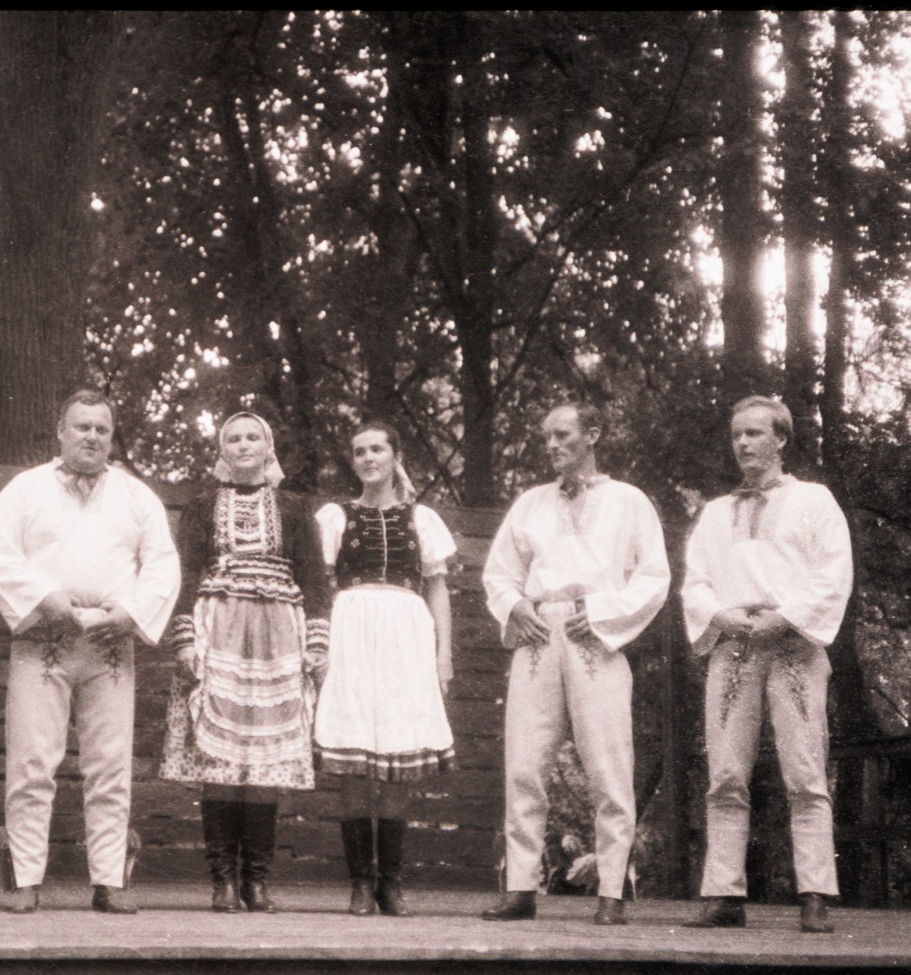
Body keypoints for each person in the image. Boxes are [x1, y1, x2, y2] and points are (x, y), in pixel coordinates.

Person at [0, 390, 180, 914]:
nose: (91, 436)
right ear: (60, 430)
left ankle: (109, 879)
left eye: (101, 429)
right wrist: (44, 599)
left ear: (110, 437)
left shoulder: (137, 497)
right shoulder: (25, 490)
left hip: (109, 644)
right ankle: (26, 878)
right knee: (32, 759)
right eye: (81, 427)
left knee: (109, 764)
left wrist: (132, 614)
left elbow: (162, 564)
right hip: (43, 638)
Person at [481, 403, 669, 926]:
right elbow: (499, 574)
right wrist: (517, 607)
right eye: (546, 438)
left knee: (609, 766)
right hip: (541, 632)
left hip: (596, 637)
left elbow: (654, 577)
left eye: (562, 435)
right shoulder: (530, 504)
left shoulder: (629, 501)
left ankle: (612, 891)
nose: (552, 445)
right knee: (525, 763)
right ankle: (520, 887)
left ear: (593, 434)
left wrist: (606, 613)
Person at [681, 396, 852, 934]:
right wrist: (723, 616)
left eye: (755, 433)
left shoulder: (814, 501)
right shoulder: (715, 513)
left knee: (804, 771)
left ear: (781, 438)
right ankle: (723, 894)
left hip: (794, 643)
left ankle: (817, 893)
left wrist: (788, 619)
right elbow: (696, 581)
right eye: (737, 435)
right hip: (734, 645)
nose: (744, 443)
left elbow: (832, 574)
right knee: (726, 773)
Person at [161, 411, 329, 913]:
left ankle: (256, 878)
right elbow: (186, 574)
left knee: (264, 763)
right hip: (220, 630)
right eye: (233, 437)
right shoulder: (200, 506)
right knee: (220, 759)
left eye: (252, 436)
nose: (243, 444)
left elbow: (317, 580)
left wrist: (317, 642)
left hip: (279, 634)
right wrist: (186, 639)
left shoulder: (297, 508)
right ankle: (222, 880)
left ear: (268, 447)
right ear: (222, 450)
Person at [313, 421, 457, 916]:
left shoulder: (423, 519)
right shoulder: (336, 516)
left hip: (406, 636)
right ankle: (359, 881)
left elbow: (437, 586)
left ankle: (390, 882)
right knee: (354, 757)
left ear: (395, 455)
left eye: (377, 449)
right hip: (350, 632)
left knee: (397, 756)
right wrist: (320, 645)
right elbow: (322, 585)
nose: (368, 458)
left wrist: (444, 655)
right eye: (359, 451)